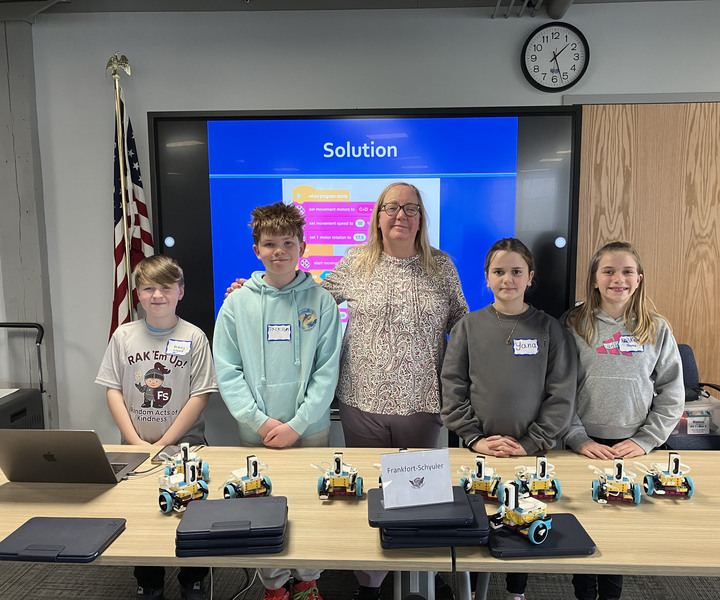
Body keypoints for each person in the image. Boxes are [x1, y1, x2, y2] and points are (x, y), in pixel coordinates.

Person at [226, 183, 468, 600]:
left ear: (421, 217)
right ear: (377, 215)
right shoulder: (356, 260)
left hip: (424, 405)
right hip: (362, 405)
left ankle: (419, 581)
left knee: (419, 500)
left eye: (410, 208)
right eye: (391, 207)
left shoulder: (441, 265)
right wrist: (249, 290)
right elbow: (308, 295)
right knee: (366, 498)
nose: (400, 215)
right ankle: (369, 586)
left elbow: (463, 329)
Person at [213, 201, 341, 600]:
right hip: (257, 434)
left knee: (311, 506)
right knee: (261, 509)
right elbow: (228, 370)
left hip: (311, 432)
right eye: (270, 244)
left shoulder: (321, 302)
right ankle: (273, 587)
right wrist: (262, 422)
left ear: (303, 246)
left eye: (288, 242)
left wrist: (297, 424)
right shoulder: (236, 303)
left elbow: (327, 371)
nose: (279, 251)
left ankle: (307, 581)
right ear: (256, 250)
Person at [440, 237, 577, 600]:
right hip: (477, 451)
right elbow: (452, 386)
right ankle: (469, 589)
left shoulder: (550, 330)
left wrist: (530, 443)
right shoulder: (469, 327)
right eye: (499, 272)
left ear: (530, 277)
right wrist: (474, 438)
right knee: (475, 520)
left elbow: (561, 394)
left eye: (516, 272)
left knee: (525, 518)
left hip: (530, 454)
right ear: (486, 278)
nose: (508, 279)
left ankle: (517, 590)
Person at [563, 241, 683, 600]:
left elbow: (672, 393)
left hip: (632, 449)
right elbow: (556, 389)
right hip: (582, 446)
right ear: (595, 280)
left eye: (627, 271)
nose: (619, 279)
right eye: (609, 271)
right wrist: (576, 437)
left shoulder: (656, 328)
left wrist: (646, 440)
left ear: (640, 278)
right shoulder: (573, 324)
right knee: (582, 526)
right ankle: (583, 593)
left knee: (619, 532)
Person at [95, 255, 217, 600]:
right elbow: (113, 390)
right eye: (148, 288)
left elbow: (200, 396)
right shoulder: (124, 336)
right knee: (139, 515)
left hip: (185, 446)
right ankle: (148, 581)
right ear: (137, 293)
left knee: (190, 511)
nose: (157, 295)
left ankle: (192, 578)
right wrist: (135, 442)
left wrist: (165, 441)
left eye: (166, 288)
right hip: (134, 448)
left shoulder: (193, 337)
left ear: (180, 291)